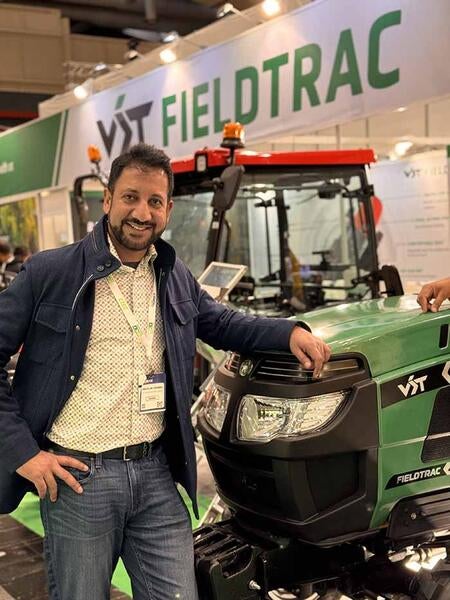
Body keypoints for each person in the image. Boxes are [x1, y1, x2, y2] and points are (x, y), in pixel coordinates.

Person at [0, 143, 330, 600]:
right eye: (131, 197)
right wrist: (24, 453)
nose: (142, 212)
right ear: (108, 199)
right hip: (79, 478)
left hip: (156, 472)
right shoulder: (49, 273)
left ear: (168, 209)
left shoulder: (171, 274)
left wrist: (288, 333)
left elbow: (221, 322)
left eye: (154, 201)